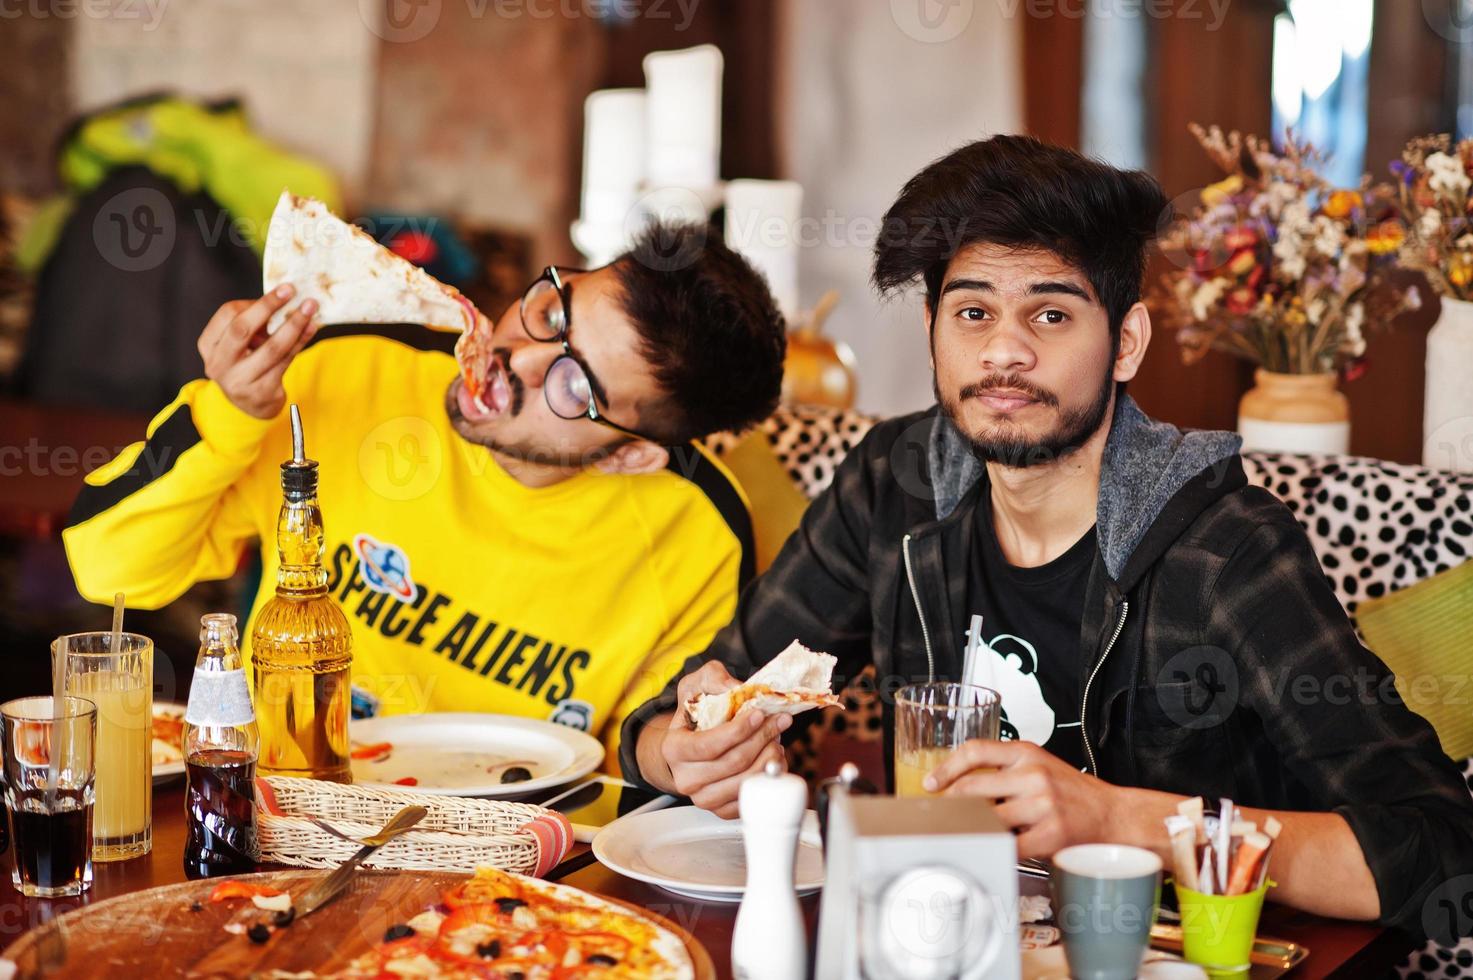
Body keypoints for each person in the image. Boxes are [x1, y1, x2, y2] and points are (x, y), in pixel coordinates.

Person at [619, 136, 1473, 934]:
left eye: (1051, 316)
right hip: (939, 934)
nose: (1004, 353)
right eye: (972, 313)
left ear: (1126, 342)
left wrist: (1122, 820)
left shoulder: (1224, 549)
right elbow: (688, 708)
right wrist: (681, 751)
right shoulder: (894, 484)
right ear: (931, 337)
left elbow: (1435, 848)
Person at [64, 222, 786, 770]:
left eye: (573, 385)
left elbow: (649, 738)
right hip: (280, 818)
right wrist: (230, 409)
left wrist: (696, 754)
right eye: (551, 312)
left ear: (631, 452)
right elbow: (112, 572)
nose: (517, 358)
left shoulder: (700, 529)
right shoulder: (347, 375)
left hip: (516, 879)